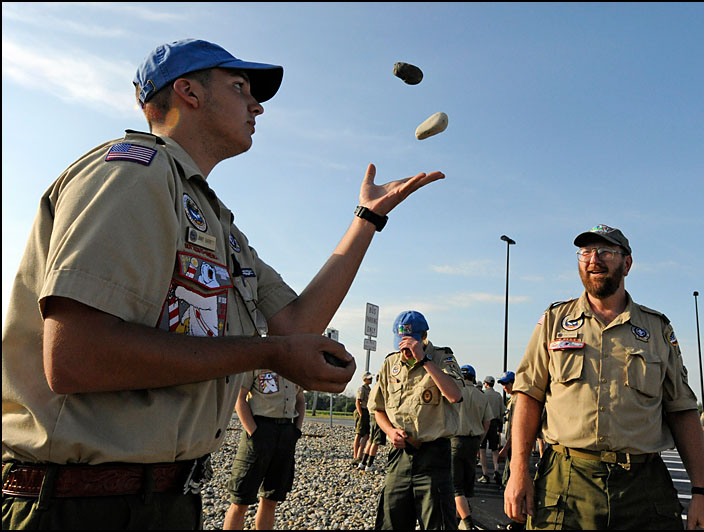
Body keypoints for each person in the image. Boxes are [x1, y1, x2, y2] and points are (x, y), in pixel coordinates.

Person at [1, 38, 445, 530]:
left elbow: (296, 324)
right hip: (78, 505)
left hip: (160, 499)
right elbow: (75, 356)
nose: (256, 105)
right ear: (188, 91)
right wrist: (265, 355)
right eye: (240, 87)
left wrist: (366, 220)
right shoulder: (132, 174)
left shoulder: (219, 224)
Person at [504, 224, 704, 530]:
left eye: (606, 251)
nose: (594, 260)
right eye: (586, 252)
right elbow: (529, 397)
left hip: (642, 486)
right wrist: (518, 470)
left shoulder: (657, 329)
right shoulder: (554, 321)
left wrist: (701, 492)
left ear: (627, 263)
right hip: (566, 481)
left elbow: (682, 410)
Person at [368, 310, 464, 530]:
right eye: (402, 343)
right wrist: (390, 432)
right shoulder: (390, 363)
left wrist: (425, 360)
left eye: (411, 343)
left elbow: (455, 395)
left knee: (437, 522)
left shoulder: (442, 357)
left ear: (424, 336)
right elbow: (378, 409)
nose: (406, 350)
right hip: (399, 456)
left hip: (433, 457)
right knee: (391, 519)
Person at [223, 371, 304, 530]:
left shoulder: (293, 365)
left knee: (271, 498)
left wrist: (296, 430)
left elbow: (300, 399)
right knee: (240, 499)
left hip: (286, 432)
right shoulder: (256, 361)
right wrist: (253, 432)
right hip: (260, 428)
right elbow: (239, 397)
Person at [453, 365, 494, 530]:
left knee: (455, 487)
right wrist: (479, 439)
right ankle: (456, 522)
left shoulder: (455, 391)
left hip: (455, 440)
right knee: (465, 486)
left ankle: (468, 524)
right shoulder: (481, 395)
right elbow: (488, 421)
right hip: (473, 441)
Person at [496, 371, 525, 531]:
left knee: (511, 481)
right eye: (503, 384)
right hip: (512, 445)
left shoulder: (518, 400)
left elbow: (517, 428)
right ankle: (516, 519)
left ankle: (518, 520)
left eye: (507, 383)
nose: (505, 387)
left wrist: (505, 449)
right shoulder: (513, 399)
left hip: (515, 447)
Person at [479, 375, 506, 486]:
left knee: (482, 449)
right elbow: (502, 411)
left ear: (485, 383)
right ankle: (496, 470)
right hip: (494, 423)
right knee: (495, 449)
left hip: (484, 423)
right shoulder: (498, 396)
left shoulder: (483, 395)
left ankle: (485, 474)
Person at [352, 372, 373, 468]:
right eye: (369, 379)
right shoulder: (362, 389)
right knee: (359, 434)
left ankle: (359, 455)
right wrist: (360, 414)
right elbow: (358, 401)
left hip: (367, 411)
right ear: (364, 379)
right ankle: (356, 456)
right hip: (362, 411)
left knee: (366, 434)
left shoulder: (369, 389)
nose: (371, 380)